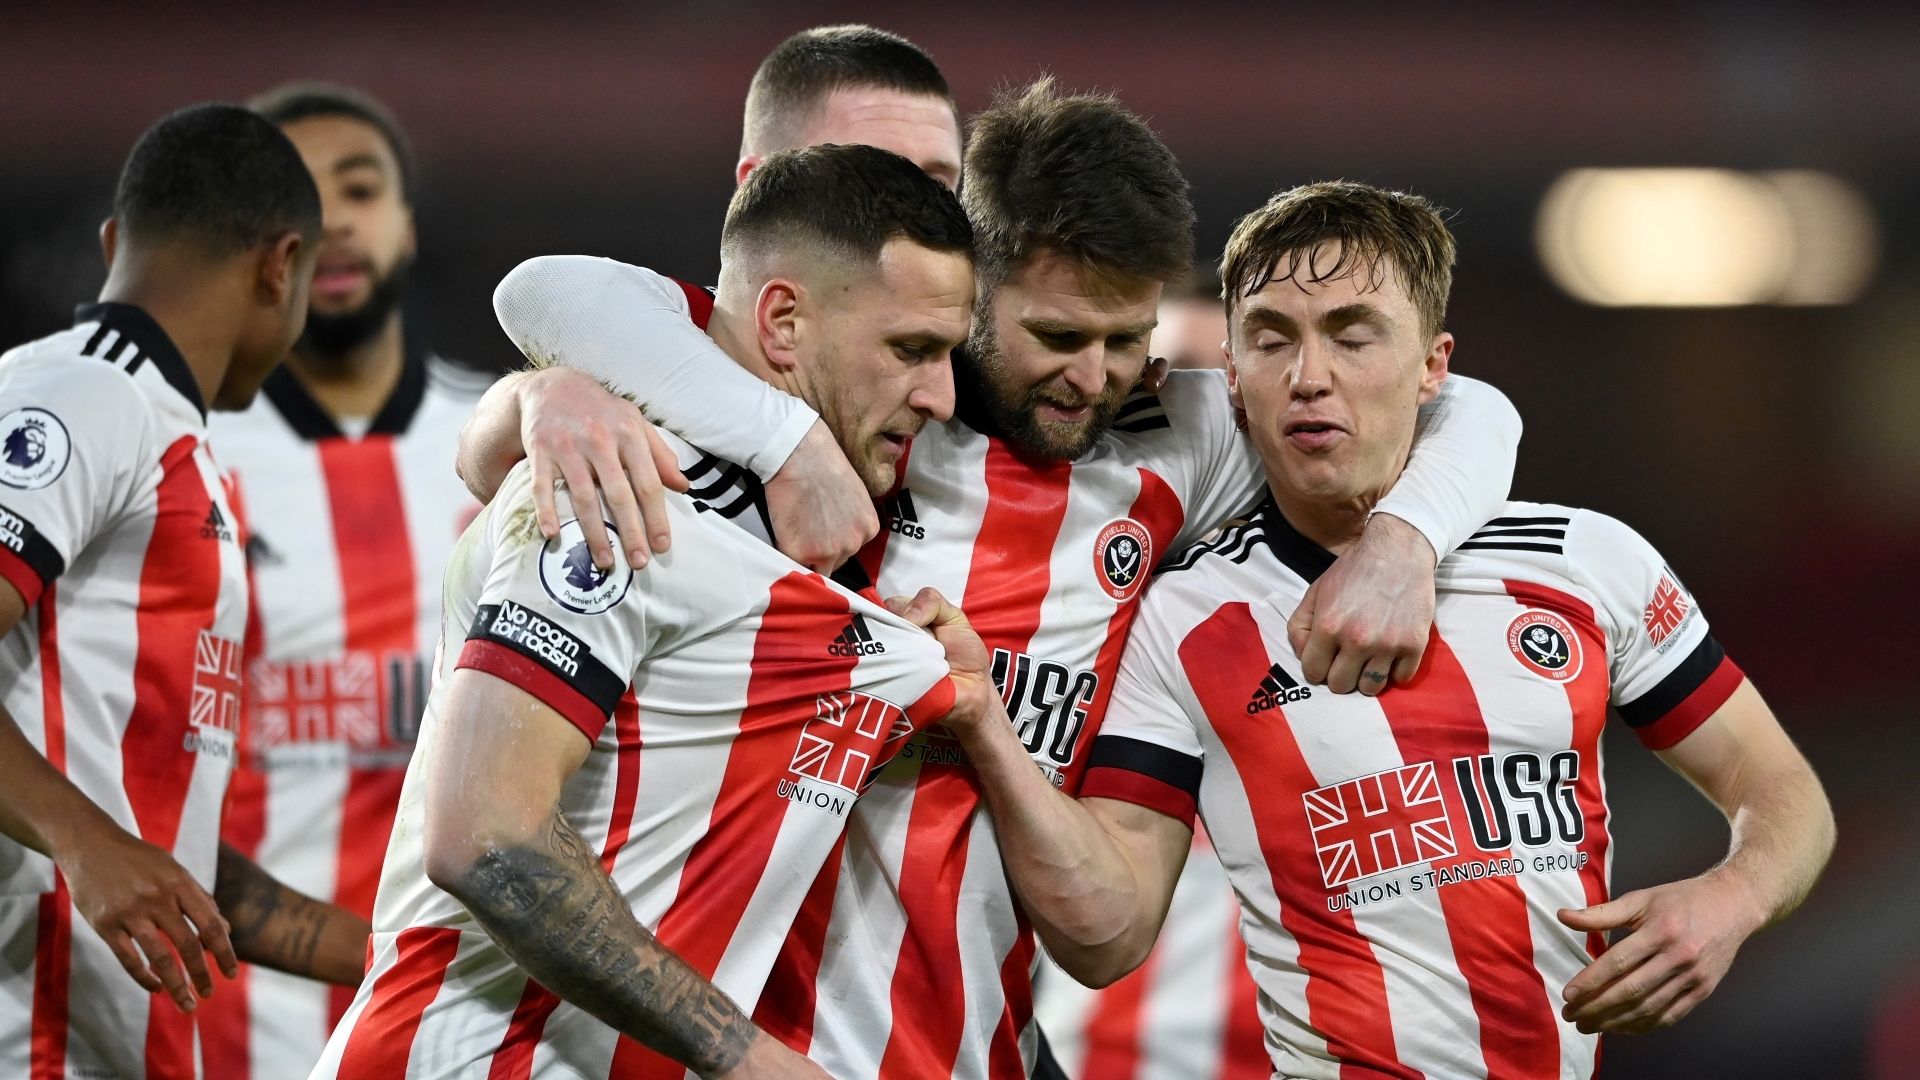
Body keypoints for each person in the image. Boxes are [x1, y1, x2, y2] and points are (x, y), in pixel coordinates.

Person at [465, 80, 1524, 1077]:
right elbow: (551, 292)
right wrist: (568, 401)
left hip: (976, 1042)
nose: (1096, 376)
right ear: (971, 289)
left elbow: (1461, 406)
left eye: (1126, 340)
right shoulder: (840, 404)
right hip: (724, 1041)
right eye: (1057, 336)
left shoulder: (1170, 445)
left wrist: (1404, 541)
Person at [924, 180, 1837, 1079]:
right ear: (1233, 379)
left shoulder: (1586, 562)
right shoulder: (1181, 618)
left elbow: (1779, 785)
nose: (1309, 376)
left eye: (1353, 336)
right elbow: (1107, 933)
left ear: (1435, 366)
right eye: (1272, 341)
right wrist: (985, 726)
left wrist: (1729, 900)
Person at [313, 143, 989, 1079]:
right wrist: (741, 1055)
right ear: (783, 320)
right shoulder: (620, 490)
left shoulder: (793, 531)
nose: (941, 395)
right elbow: (486, 837)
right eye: (911, 350)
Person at [0, 103, 371, 1080]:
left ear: (115, 242)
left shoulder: (169, 440)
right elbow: (105, 844)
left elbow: (158, 847)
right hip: (28, 1029)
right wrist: (86, 844)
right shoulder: (85, 396)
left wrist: (390, 955)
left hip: (116, 1037)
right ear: (280, 266)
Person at [197, 83, 492, 1079]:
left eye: (359, 189)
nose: (330, 222)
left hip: (459, 1028)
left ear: (408, 223)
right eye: (294, 194)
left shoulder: (520, 447)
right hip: (229, 1031)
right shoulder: (176, 454)